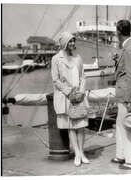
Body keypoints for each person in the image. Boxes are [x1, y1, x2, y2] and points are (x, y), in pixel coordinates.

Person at [51, 31, 90, 167]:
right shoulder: (56, 59)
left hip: (78, 97)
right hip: (66, 97)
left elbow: (83, 77)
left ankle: (82, 152)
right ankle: (77, 154)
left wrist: (81, 92)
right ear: (64, 43)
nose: (73, 43)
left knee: (81, 126)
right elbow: (55, 80)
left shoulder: (78, 58)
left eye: (74, 41)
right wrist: (69, 92)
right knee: (71, 126)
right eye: (70, 41)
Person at [111, 20, 131, 170]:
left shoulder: (129, 50)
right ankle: (121, 155)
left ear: (118, 32)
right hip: (124, 94)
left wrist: (129, 101)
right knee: (120, 125)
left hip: (125, 96)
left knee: (127, 126)